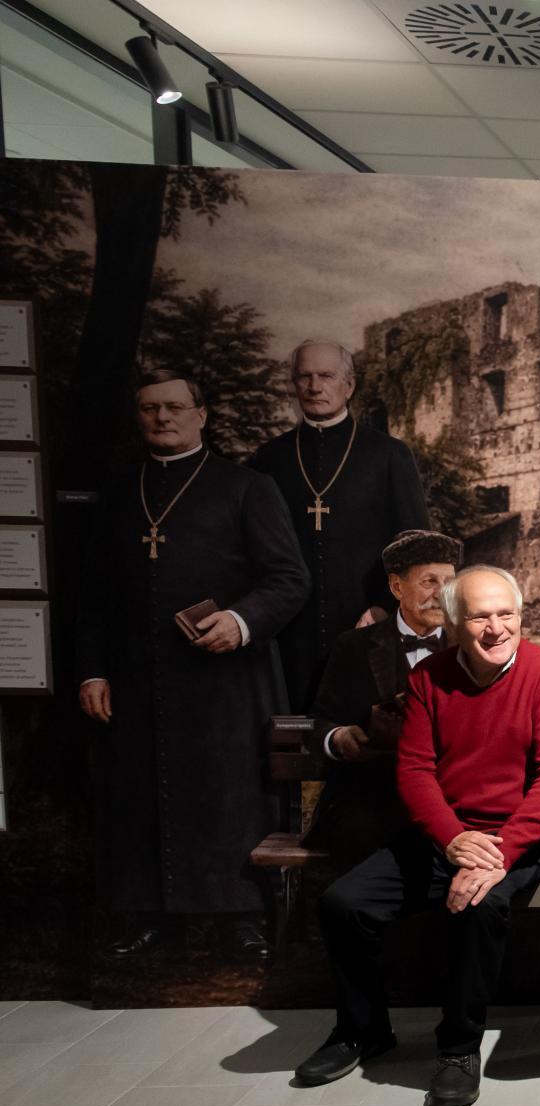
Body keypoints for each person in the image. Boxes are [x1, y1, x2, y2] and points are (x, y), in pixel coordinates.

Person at [295, 566, 540, 1106]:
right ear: (453, 623)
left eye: (506, 614)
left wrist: (498, 853)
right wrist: (451, 839)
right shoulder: (429, 678)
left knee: (477, 905)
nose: (496, 628)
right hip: (446, 835)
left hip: (520, 838)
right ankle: (362, 1030)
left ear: (521, 616)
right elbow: (415, 772)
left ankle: (458, 1047)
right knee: (343, 903)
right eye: (479, 617)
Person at [78, 368, 309, 962]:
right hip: (138, 679)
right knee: (141, 794)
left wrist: (241, 620)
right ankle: (149, 916)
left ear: (200, 415)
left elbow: (289, 579)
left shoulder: (246, 487)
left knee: (228, 796)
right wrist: (93, 670)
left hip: (227, 681)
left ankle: (240, 917)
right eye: (149, 408)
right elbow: (95, 592)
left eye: (174, 407)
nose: (162, 418)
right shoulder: (120, 490)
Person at [248, 340, 428, 708]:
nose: (315, 387)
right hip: (288, 632)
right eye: (304, 377)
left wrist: (384, 607)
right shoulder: (268, 459)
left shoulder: (390, 455)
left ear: (349, 385)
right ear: (294, 385)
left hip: (367, 620)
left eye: (326, 376)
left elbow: (416, 545)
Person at [307, 529, 462, 876]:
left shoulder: (471, 645)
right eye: (429, 582)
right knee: (357, 838)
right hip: (372, 795)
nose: (441, 593)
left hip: (452, 797)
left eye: (449, 582)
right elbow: (320, 722)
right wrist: (339, 738)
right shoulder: (353, 647)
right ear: (396, 587)